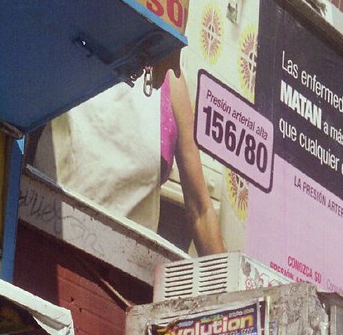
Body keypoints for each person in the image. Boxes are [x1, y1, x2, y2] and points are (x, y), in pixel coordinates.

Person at [30, 56, 226, 256]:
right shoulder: (69, 42)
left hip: (126, 271)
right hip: (46, 244)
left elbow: (201, 210)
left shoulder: (167, 75)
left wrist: (231, 285)